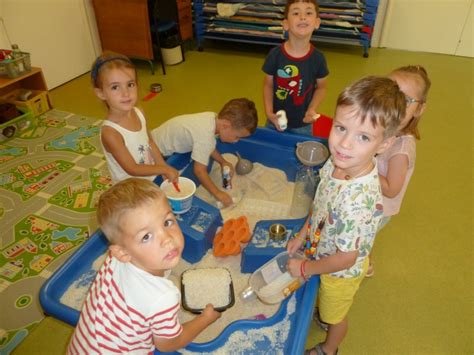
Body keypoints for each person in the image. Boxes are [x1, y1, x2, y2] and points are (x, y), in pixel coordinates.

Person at [286, 76, 406, 355]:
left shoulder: (358, 201)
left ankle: (329, 348)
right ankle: (325, 312)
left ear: (384, 144)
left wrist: (305, 269)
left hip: (341, 272)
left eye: (363, 137)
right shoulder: (336, 161)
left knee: (334, 317)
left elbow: (346, 258)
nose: (344, 145)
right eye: (341, 128)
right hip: (323, 249)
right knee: (326, 304)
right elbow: (321, 202)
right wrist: (304, 234)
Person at [67, 178, 221, 354]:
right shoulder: (162, 297)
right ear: (123, 253)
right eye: (146, 236)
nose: (167, 239)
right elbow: (168, 344)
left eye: (167, 222)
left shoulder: (116, 258)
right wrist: (206, 319)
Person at [367, 65, 431, 277]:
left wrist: (364, 165)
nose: (393, 103)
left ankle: (364, 263)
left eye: (404, 100)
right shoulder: (382, 126)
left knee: (364, 236)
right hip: (368, 196)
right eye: (389, 92)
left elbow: (392, 189)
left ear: (419, 109)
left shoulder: (401, 149)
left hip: (379, 207)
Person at [151, 98, 258, 207]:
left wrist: (223, 162)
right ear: (226, 125)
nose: (236, 141)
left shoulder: (213, 119)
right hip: (153, 152)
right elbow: (199, 171)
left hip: (156, 140)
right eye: (237, 137)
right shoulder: (205, 134)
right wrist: (218, 194)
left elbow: (209, 145)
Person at [91, 51, 179, 183]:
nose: (126, 93)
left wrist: (163, 165)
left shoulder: (139, 113)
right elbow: (132, 169)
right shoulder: (110, 133)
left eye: (130, 84)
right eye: (115, 87)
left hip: (150, 178)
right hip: (130, 190)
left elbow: (150, 143)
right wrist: (163, 170)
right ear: (101, 93)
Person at [262, 0, 329, 136]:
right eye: (296, 13)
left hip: (303, 123)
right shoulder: (275, 55)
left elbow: (322, 87)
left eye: (308, 12)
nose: (303, 17)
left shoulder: (318, 58)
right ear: (286, 24)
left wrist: (312, 109)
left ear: (317, 23)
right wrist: (269, 112)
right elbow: (268, 85)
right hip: (275, 120)